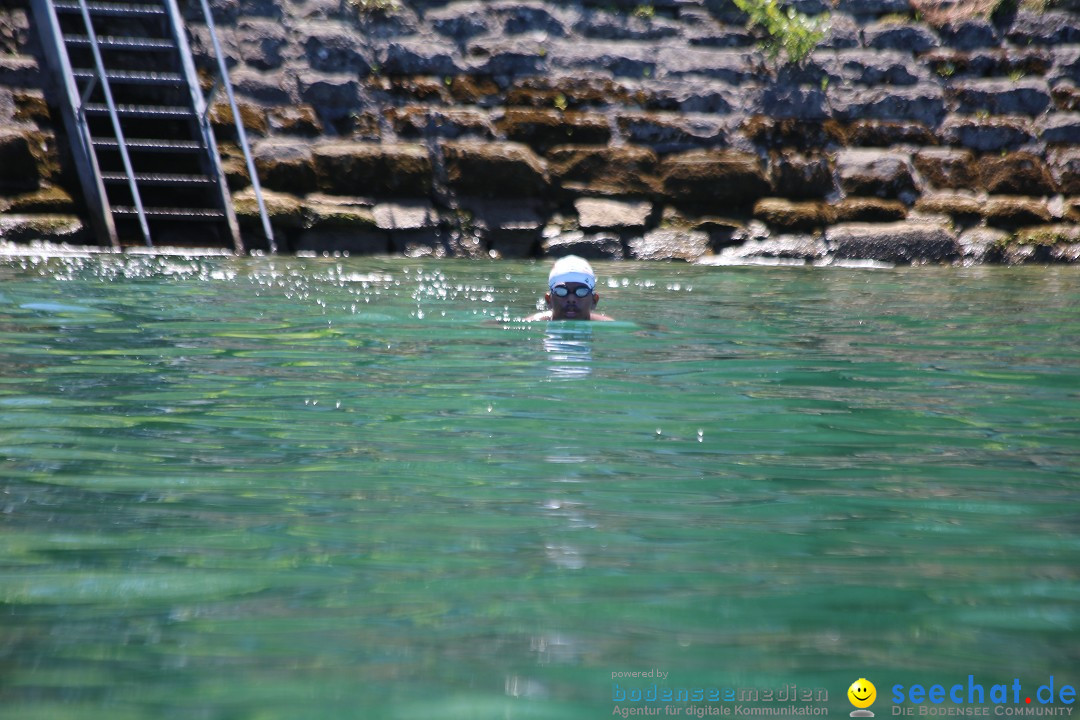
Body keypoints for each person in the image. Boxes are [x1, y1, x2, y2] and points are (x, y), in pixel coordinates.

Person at [525, 255, 614, 322]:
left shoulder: (609, 327)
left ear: (594, 301)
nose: (571, 299)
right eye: (561, 291)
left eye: (581, 292)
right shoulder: (530, 325)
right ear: (549, 300)